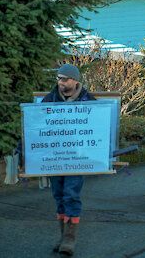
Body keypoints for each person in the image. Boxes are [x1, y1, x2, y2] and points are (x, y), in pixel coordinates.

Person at [43, 64, 96, 255]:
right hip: (54, 158)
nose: (60, 82)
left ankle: (69, 240)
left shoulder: (88, 100)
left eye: (64, 79)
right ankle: (62, 236)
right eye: (58, 78)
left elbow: (98, 127)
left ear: (75, 81)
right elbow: (36, 127)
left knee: (71, 196)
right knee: (59, 197)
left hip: (78, 157)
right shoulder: (49, 99)